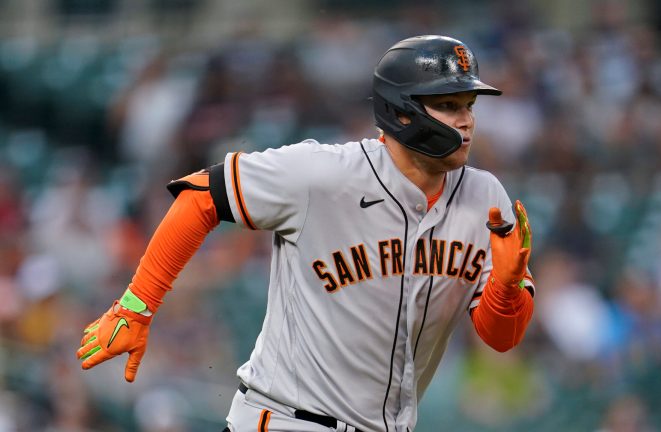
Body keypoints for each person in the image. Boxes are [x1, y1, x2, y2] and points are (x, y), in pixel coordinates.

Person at [77, 35, 536, 432]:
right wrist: (136, 306)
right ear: (402, 113)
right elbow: (201, 195)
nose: (467, 120)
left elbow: (500, 337)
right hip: (285, 419)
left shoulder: (485, 196)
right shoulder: (324, 175)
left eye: (469, 106)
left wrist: (507, 286)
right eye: (449, 105)